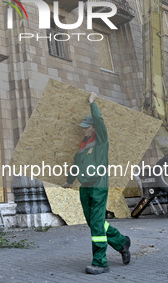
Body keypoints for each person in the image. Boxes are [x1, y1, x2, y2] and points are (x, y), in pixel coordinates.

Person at [62, 92, 131, 275]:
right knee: (93, 222)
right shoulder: (83, 145)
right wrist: (69, 181)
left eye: (86, 127)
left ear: (93, 127)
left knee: (97, 224)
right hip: (85, 187)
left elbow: (99, 121)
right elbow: (76, 164)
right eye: (83, 127)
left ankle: (100, 262)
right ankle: (121, 242)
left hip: (99, 184)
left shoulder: (101, 140)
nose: (84, 130)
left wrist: (92, 103)